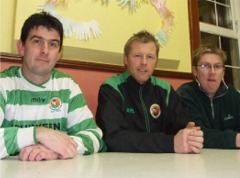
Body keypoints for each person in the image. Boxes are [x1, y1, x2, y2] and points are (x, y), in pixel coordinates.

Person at [0, 12, 105, 161]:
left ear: (59, 54)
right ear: (21, 47)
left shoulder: (68, 87)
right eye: (37, 41)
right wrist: (38, 134)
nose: (45, 50)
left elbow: (94, 137)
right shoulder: (3, 85)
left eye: (53, 44)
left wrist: (56, 150)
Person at [96, 30, 203, 153]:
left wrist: (189, 136)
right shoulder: (111, 88)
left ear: (156, 61)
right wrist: (170, 143)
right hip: (123, 167)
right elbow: (113, 138)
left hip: (163, 166)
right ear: (125, 59)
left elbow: (178, 131)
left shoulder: (166, 90)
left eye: (150, 57)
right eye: (137, 56)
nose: (144, 62)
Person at [177, 45, 240, 149]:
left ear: (223, 72)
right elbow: (196, 135)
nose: (212, 72)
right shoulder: (185, 94)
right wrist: (234, 139)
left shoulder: (233, 96)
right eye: (205, 66)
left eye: (217, 66)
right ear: (195, 71)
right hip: (196, 160)